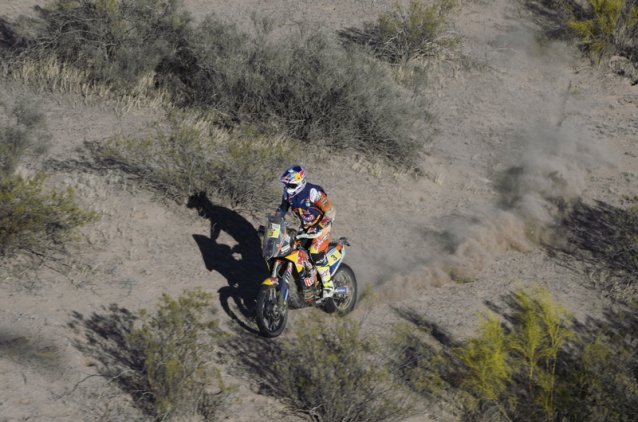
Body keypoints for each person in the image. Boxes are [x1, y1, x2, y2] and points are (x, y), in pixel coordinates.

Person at [275, 165, 336, 299]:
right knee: (296, 250)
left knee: (315, 251)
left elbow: (331, 211)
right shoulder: (287, 194)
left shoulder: (313, 192)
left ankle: (328, 285)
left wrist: (319, 227)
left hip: (322, 225)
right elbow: (282, 210)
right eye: (286, 185)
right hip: (306, 228)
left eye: (290, 185)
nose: (288, 188)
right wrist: (273, 222)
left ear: (300, 182)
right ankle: (308, 283)